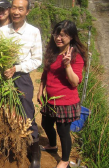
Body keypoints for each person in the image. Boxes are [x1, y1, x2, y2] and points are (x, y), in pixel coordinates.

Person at [0, 0, 42, 168]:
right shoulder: (3, 31)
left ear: (27, 11)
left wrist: (16, 68)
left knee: (26, 111)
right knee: (4, 110)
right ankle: (9, 146)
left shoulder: (33, 32)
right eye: (14, 8)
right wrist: (2, 67)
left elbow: (37, 59)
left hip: (21, 76)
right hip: (3, 76)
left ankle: (35, 151)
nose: (16, 12)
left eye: (20, 9)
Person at [38, 20, 87, 168]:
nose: (58, 38)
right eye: (56, 34)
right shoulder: (52, 51)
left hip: (66, 101)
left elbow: (74, 82)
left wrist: (67, 65)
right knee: (45, 124)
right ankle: (52, 145)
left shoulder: (76, 56)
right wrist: (41, 90)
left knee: (63, 131)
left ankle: (64, 160)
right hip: (50, 99)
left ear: (71, 37)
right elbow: (45, 72)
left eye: (63, 35)